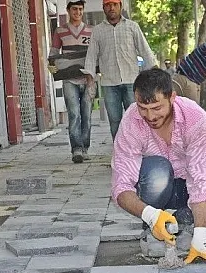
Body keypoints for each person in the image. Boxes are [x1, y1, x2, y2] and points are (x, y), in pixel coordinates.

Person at [111, 69, 206, 265]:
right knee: (158, 170)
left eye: (157, 108)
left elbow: (199, 176)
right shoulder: (132, 121)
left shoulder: (195, 118)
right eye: (143, 108)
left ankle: (185, 222)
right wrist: (150, 214)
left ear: (172, 97)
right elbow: (121, 186)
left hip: (186, 187)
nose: (150, 116)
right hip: (155, 186)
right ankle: (155, 227)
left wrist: (202, 235)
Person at [84, 0, 157, 140]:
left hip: (132, 82)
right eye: (108, 5)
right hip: (109, 83)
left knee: (137, 118)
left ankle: (139, 149)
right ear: (103, 8)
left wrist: (155, 73)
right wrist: (90, 80)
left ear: (120, 6)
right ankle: (120, 154)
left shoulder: (132, 27)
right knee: (115, 121)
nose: (111, 8)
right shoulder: (98, 31)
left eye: (114, 4)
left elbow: (145, 50)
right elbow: (91, 56)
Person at [49, 0, 94, 164]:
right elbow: (53, 53)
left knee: (87, 115)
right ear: (68, 10)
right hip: (69, 79)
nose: (78, 12)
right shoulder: (60, 31)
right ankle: (76, 149)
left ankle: (85, 148)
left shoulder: (91, 31)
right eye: (74, 9)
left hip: (89, 79)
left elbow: (96, 54)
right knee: (74, 114)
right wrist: (52, 66)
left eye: (80, 9)